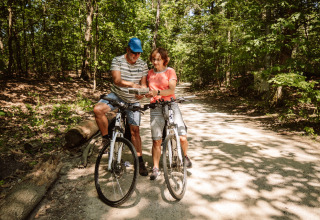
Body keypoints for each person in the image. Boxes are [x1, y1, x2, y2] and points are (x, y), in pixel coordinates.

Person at [93, 38, 149, 176]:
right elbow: (117, 81)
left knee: (135, 131)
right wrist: (132, 84)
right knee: (98, 109)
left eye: (139, 53)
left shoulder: (142, 64)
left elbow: (143, 84)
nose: (136, 56)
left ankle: (139, 161)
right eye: (133, 52)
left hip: (133, 100)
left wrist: (142, 92)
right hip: (117, 95)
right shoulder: (117, 60)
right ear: (127, 49)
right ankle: (106, 138)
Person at [145, 47, 192, 180]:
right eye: (154, 59)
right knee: (156, 140)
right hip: (155, 107)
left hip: (170, 104)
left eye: (159, 59)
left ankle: (185, 156)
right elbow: (145, 89)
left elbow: (171, 89)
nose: (155, 62)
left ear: (165, 60)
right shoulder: (149, 73)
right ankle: (155, 168)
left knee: (182, 136)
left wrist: (157, 92)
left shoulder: (170, 71)